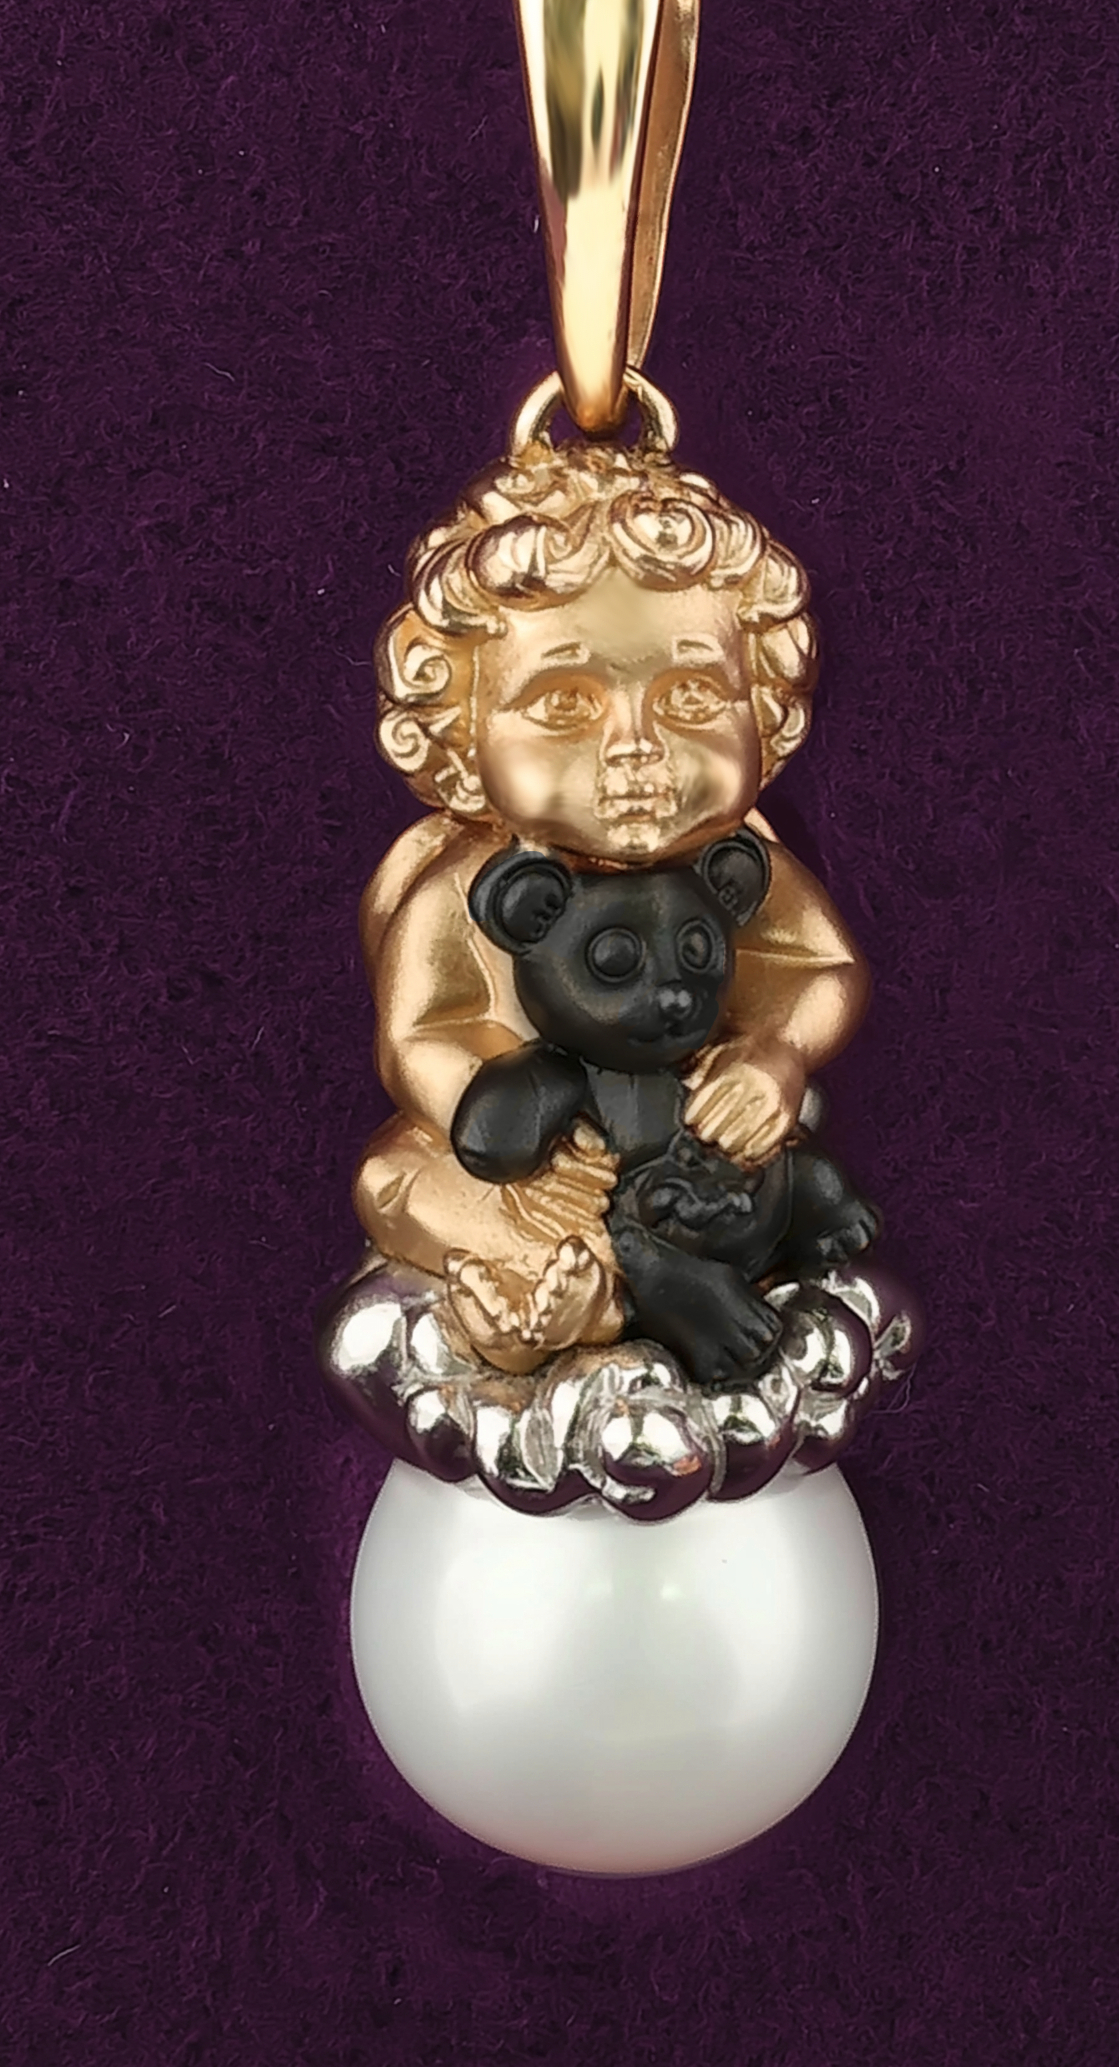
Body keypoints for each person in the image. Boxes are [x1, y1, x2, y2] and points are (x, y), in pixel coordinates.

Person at [354, 428, 868, 1371]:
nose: (635, 749)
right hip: (543, 1163)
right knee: (395, 1175)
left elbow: (820, 968)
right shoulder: (460, 889)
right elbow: (417, 1037)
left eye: (691, 696)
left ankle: (614, 1289)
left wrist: (775, 1055)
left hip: (692, 1149)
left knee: (768, 1163)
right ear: (461, 732)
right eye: (565, 704)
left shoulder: (736, 860)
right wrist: (516, 1137)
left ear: (763, 709)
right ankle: (557, 1289)